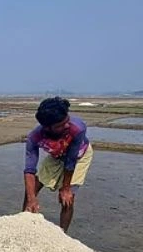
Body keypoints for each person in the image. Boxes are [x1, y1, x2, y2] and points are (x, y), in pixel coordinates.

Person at [22, 96, 93, 232]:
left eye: (67, 120)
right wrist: (32, 198)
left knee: (67, 197)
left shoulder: (77, 128)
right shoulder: (34, 137)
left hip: (79, 156)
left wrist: (65, 188)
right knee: (32, 189)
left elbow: (70, 162)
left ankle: (62, 234)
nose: (67, 125)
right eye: (60, 125)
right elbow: (29, 170)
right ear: (47, 127)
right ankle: (23, 221)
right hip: (57, 154)